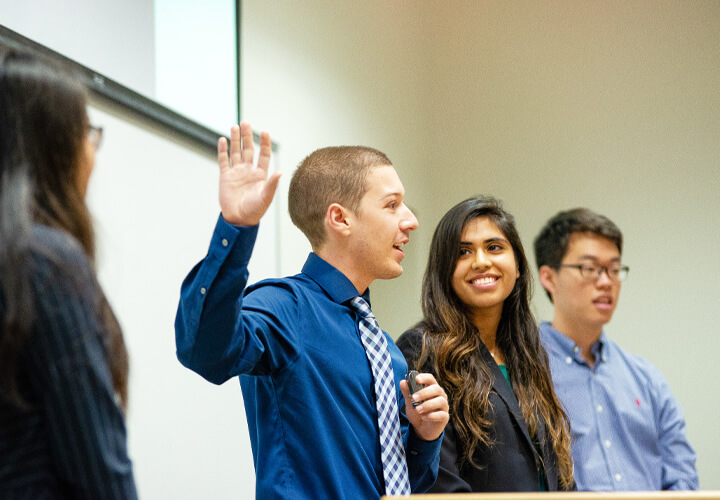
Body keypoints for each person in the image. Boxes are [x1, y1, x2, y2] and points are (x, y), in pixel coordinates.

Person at [174, 123, 449, 499]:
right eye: (391, 204)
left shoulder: (389, 354)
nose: (411, 221)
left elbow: (398, 483)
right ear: (340, 219)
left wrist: (424, 435)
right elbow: (204, 352)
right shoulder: (284, 308)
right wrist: (235, 228)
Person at [0, 49, 137, 498]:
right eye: (87, 132)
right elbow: (98, 468)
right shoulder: (46, 262)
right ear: (54, 144)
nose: (91, 150)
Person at [397, 195, 574, 492]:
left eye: (494, 247)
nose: (481, 262)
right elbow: (438, 480)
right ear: (445, 270)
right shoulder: (424, 348)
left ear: (517, 265)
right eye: (463, 252)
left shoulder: (529, 352)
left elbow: (556, 474)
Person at [534, 207, 698, 491]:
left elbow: (682, 478)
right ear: (549, 278)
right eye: (589, 268)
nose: (606, 281)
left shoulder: (645, 379)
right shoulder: (524, 370)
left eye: (614, 269)